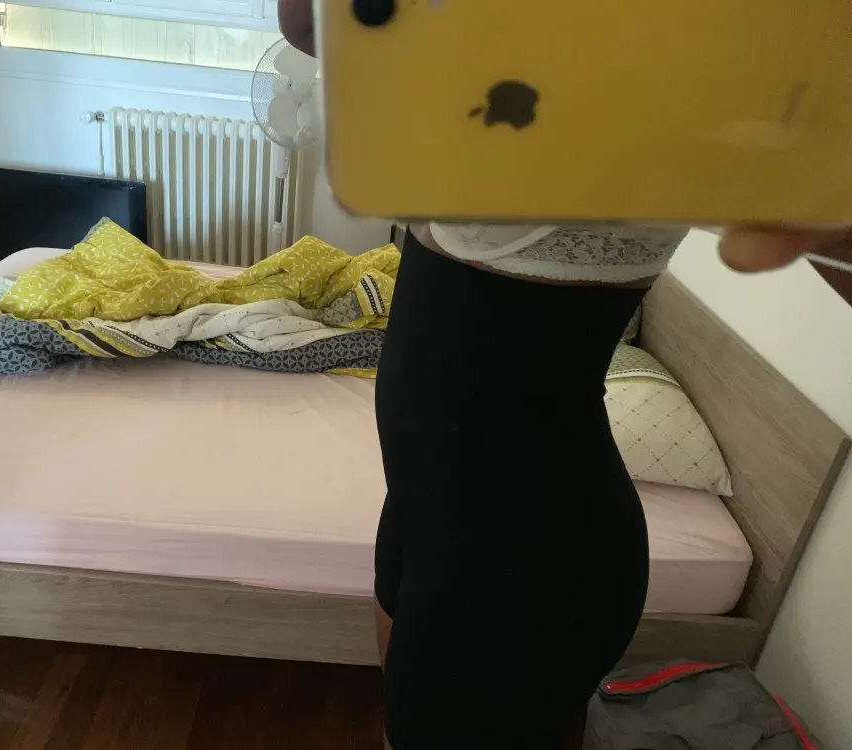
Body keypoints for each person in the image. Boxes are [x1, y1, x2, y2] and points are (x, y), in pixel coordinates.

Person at [279, 4, 851, 748]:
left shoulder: (697, 51)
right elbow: (307, 24)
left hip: (526, 554)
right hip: (425, 512)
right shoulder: (482, 43)